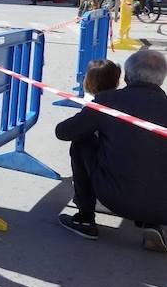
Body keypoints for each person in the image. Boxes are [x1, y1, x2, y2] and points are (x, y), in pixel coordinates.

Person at [55, 50, 167, 252]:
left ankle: (85, 218)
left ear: (126, 76)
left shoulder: (109, 101)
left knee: (82, 141)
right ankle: (153, 222)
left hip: (116, 198)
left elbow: (63, 132)